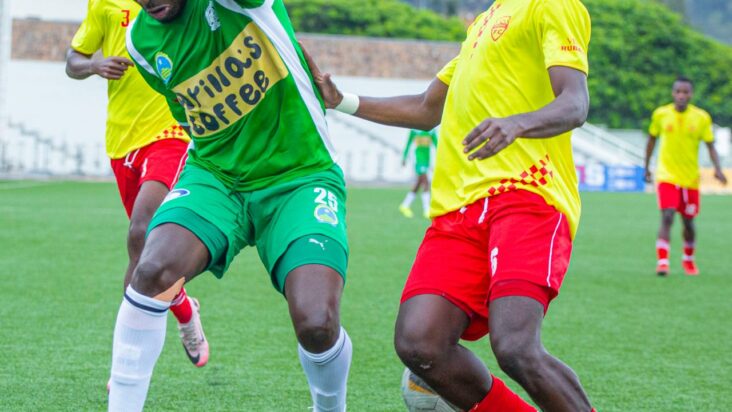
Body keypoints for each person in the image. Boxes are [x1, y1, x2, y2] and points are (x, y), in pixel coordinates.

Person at [304, 0, 597, 410]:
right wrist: (342, 101)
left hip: (525, 198)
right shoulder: (483, 24)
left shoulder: (550, 5)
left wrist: (517, 123)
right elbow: (427, 108)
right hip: (458, 212)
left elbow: (575, 103)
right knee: (420, 343)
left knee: (515, 347)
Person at [108, 0, 352, 410]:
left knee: (317, 323)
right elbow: (187, 113)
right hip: (217, 175)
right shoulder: (141, 43)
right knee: (150, 271)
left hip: (299, 175)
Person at [65, 0, 209, 369]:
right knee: (148, 251)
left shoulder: (178, 5)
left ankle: (124, 363)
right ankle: (184, 309)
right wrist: (94, 65)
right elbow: (73, 60)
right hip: (122, 141)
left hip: (171, 134)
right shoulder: (104, 4)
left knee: (140, 232)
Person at [644, 76, 728, 277]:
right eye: (678, 92)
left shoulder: (701, 117)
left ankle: (688, 260)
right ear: (673, 93)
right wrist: (646, 167)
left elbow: (710, 145)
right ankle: (662, 262)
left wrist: (718, 169)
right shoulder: (661, 114)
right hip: (666, 176)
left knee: (688, 221)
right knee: (667, 215)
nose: (681, 95)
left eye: (685, 92)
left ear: (691, 94)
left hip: (690, 179)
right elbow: (651, 141)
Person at [399, 128, 438, 219]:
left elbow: (437, 145)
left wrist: (441, 158)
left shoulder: (431, 131)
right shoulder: (414, 131)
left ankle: (405, 205)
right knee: (426, 182)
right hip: (417, 160)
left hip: (426, 160)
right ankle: (426, 210)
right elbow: (408, 144)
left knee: (419, 183)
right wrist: (404, 157)